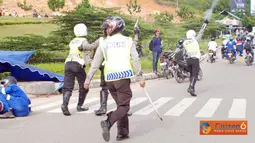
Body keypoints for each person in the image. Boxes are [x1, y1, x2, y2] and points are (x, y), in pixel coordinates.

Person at [84, 16, 145, 142]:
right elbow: (135, 59)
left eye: (106, 28)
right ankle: (109, 121)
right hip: (122, 77)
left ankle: (122, 133)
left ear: (113, 27)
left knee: (120, 105)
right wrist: (141, 77)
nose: (105, 31)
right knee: (124, 107)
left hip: (109, 79)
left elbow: (95, 63)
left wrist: (87, 79)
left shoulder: (104, 42)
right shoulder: (128, 40)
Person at [61, 23, 99, 116]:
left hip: (68, 64)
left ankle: (64, 104)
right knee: (84, 86)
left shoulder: (72, 41)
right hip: (77, 65)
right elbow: (90, 47)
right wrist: (98, 41)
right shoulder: (83, 40)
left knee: (68, 86)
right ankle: (79, 106)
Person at [183, 30, 201, 97]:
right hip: (195, 59)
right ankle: (191, 87)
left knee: (191, 74)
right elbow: (201, 32)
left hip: (188, 60)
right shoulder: (195, 40)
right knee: (195, 75)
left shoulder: (185, 42)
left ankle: (192, 89)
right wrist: (205, 23)